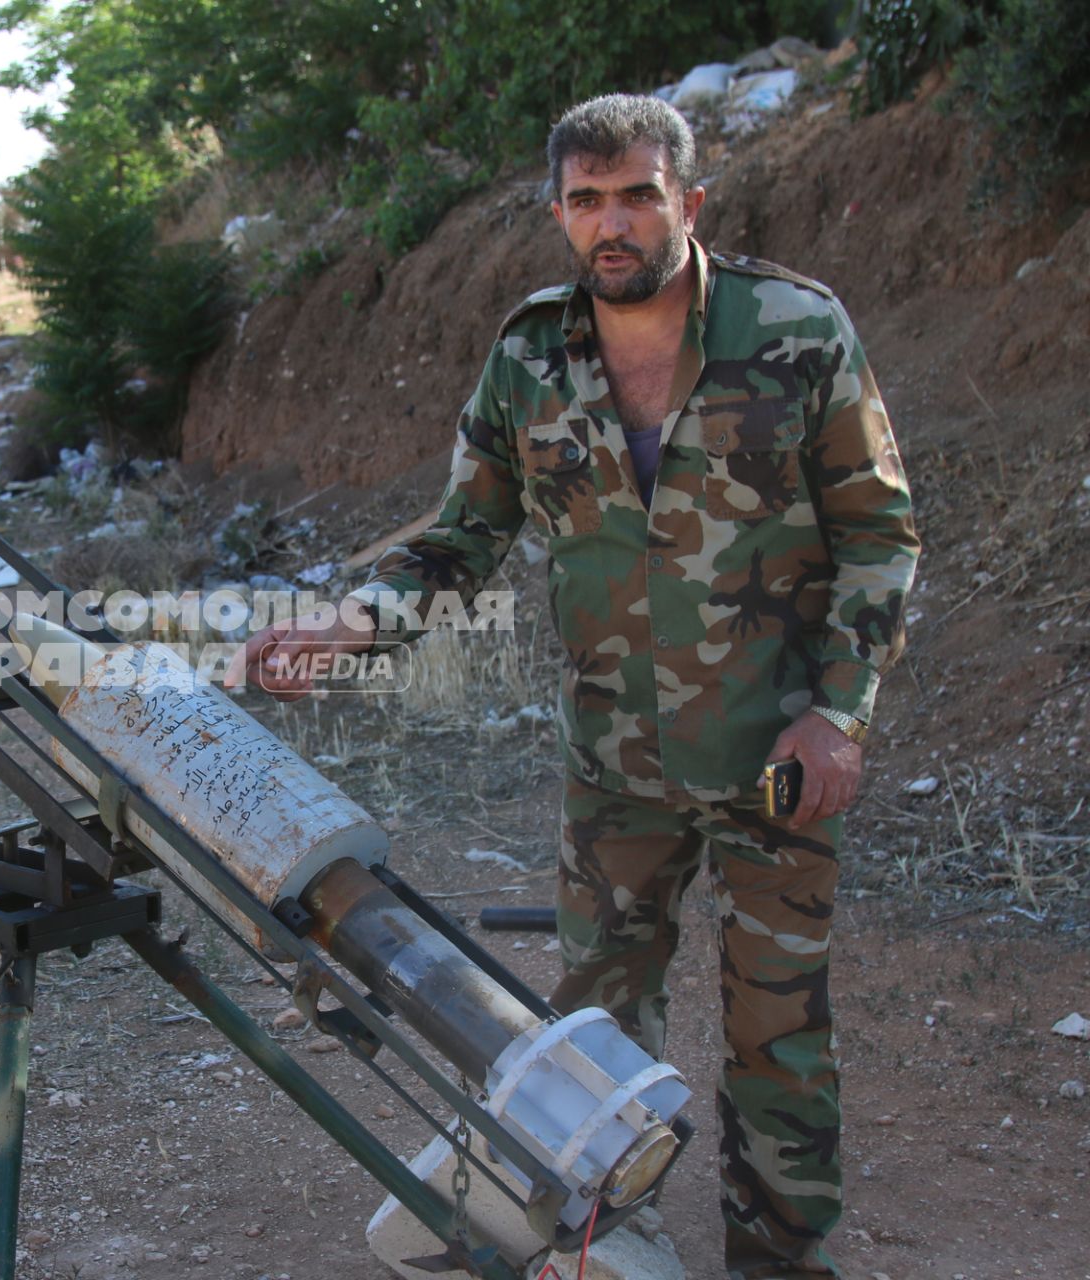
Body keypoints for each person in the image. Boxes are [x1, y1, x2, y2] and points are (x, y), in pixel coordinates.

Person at [228, 93, 918, 1278]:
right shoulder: (528, 353)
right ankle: (603, 1239)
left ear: (688, 202)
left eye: (640, 195)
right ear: (557, 212)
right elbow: (463, 536)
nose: (615, 223)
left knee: (778, 1032)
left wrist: (838, 711)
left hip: (775, 756)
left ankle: (779, 1255)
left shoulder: (796, 329)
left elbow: (881, 533)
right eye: (588, 199)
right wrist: (353, 623)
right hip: (615, 766)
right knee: (591, 1031)